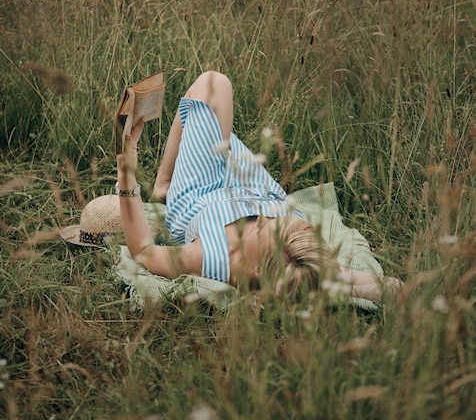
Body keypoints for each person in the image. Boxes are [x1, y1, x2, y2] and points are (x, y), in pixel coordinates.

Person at [116, 71, 402, 302]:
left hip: (201, 192)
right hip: (258, 187)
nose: (264, 218)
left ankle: (163, 184)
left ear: (253, 268)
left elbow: (143, 250)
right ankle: (216, 144)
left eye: (264, 228)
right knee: (216, 105)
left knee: (213, 84)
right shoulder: (304, 261)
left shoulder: (212, 257)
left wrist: (126, 171)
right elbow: (389, 286)